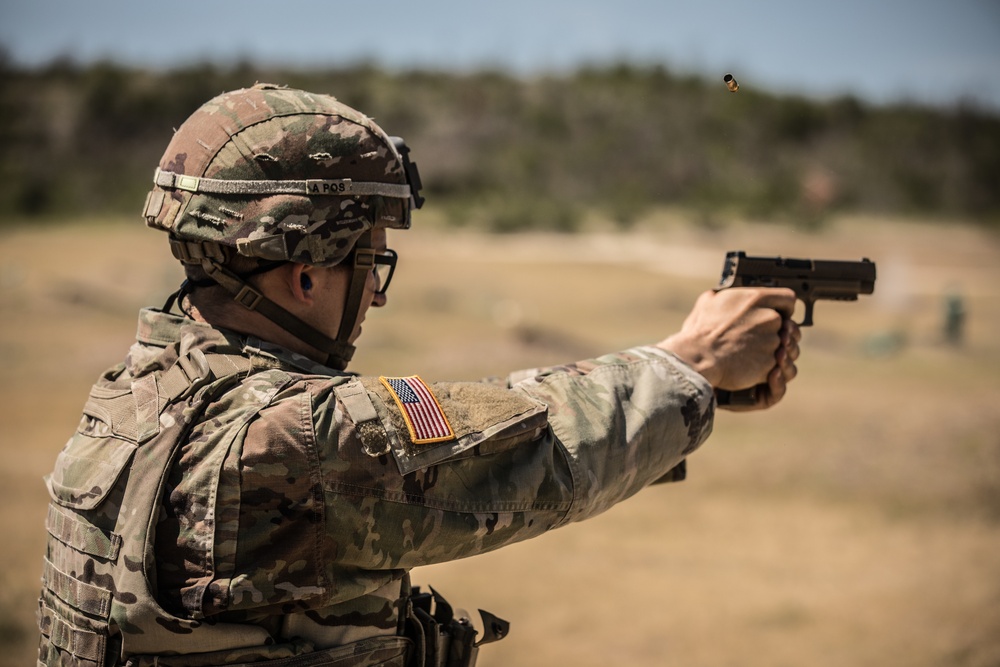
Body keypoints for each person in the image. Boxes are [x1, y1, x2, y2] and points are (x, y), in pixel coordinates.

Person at [37, 83, 800, 667]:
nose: (372, 291)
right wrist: (693, 360)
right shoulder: (297, 437)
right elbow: (541, 446)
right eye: (370, 261)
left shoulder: (133, 394)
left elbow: (486, 420)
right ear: (306, 271)